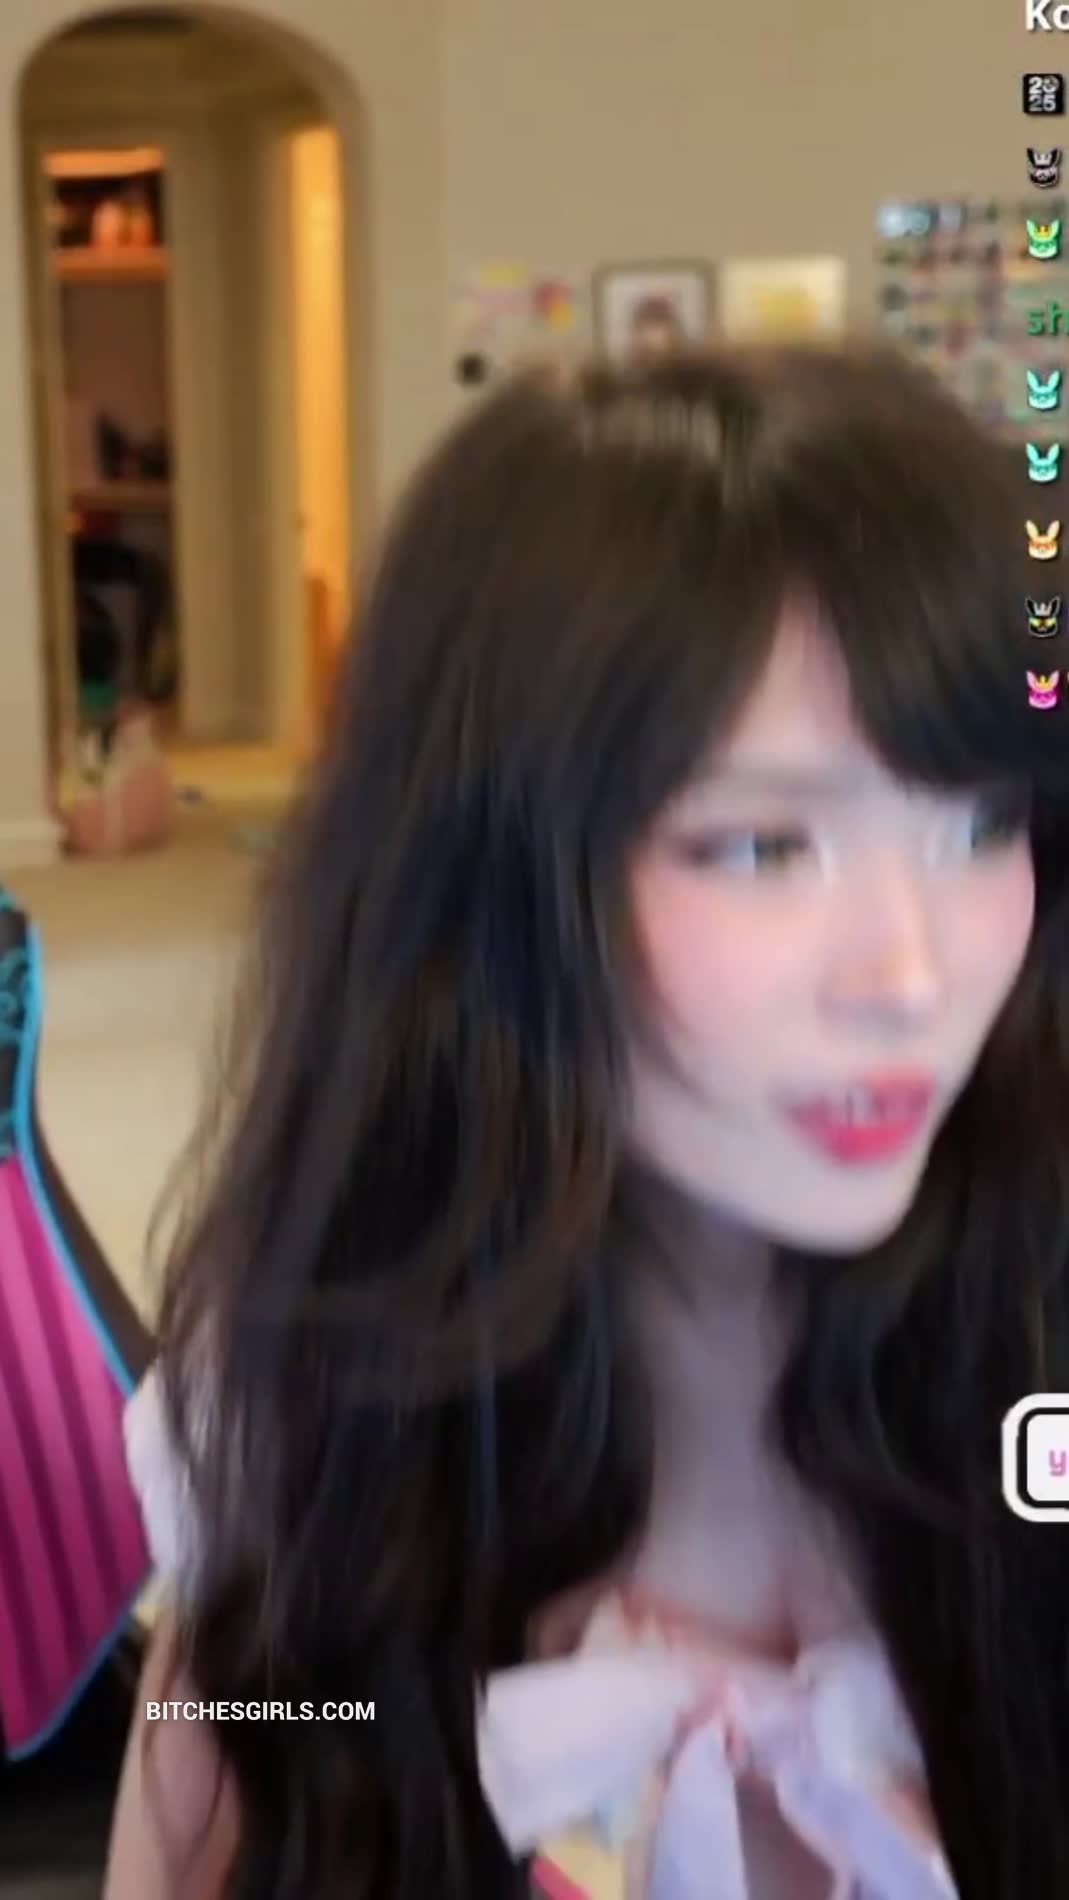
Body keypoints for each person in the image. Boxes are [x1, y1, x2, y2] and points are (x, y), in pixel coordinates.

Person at [104, 345, 1069, 1899]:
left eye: (982, 825)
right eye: (761, 847)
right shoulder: (311, 1436)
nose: (912, 976)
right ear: (488, 894)